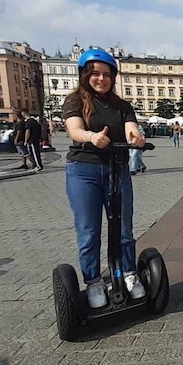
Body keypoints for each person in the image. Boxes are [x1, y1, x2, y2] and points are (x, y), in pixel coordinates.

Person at [63, 47, 146, 309]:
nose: (101, 79)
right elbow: (74, 130)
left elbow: (131, 129)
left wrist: (136, 139)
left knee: (123, 228)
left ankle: (128, 273)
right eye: (95, 74)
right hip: (84, 170)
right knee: (89, 230)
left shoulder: (122, 106)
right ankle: (94, 281)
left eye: (107, 74)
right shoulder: (75, 100)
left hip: (116, 168)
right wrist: (91, 137)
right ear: (85, 74)